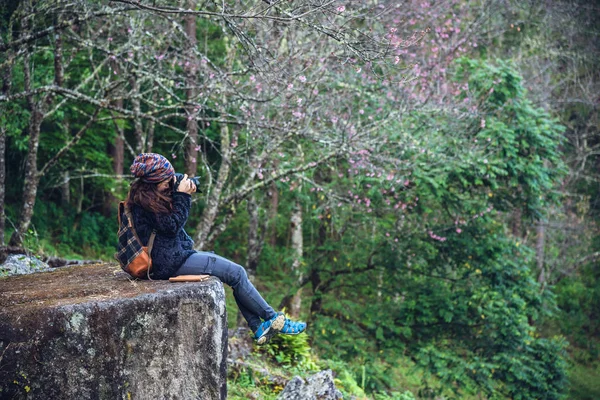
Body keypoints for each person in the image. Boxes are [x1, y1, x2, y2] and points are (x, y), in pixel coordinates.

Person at [125, 153, 306, 345]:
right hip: (167, 262)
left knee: (230, 272)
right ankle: (272, 318)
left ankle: (257, 325)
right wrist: (182, 196)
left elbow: (179, 186)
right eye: (166, 180)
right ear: (153, 182)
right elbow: (171, 226)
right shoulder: (146, 202)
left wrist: (189, 184)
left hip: (173, 255)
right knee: (236, 272)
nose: (170, 181)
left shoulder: (149, 192)